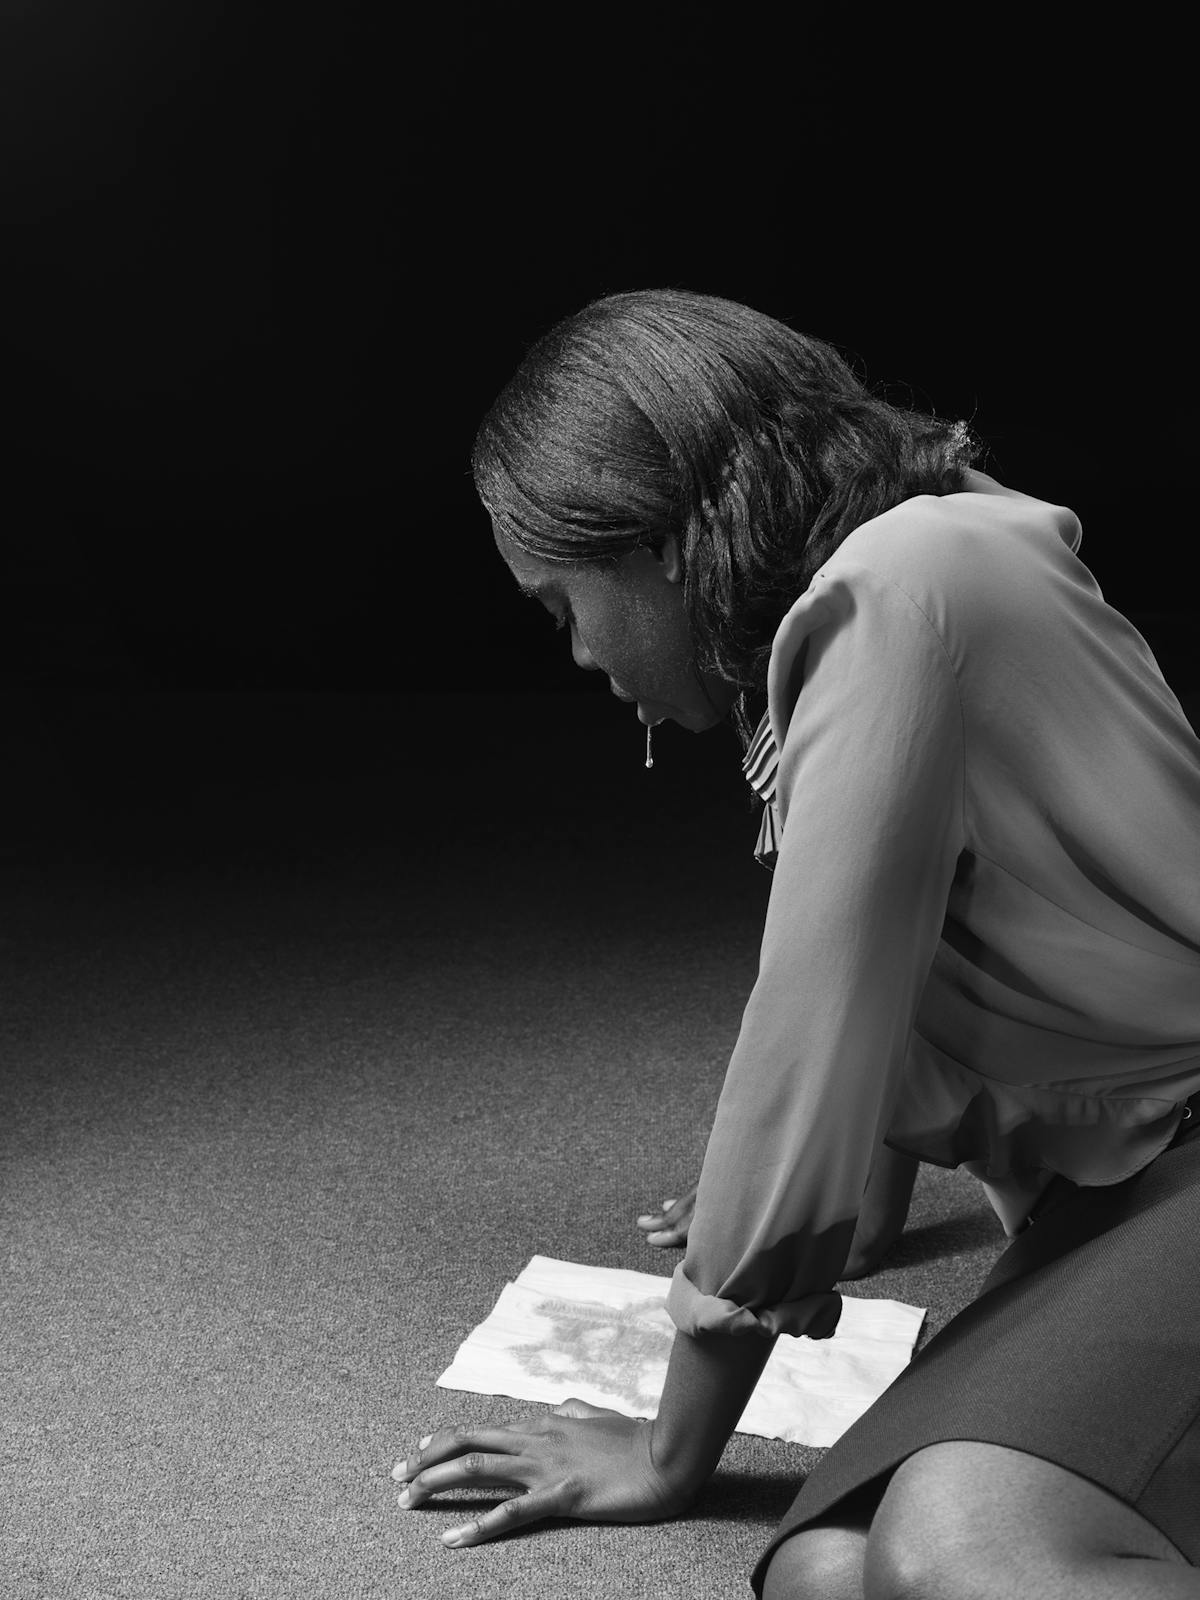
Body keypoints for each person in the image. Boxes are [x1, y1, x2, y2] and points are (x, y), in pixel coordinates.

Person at [393, 289, 1200, 1597]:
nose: (582, 655)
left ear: (655, 541)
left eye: (562, 607)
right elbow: (900, 964)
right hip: (1119, 1194)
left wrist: (671, 1451)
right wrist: (853, 1223)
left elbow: (811, 1044)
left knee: (955, 1555)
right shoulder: (889, 581)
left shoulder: (902, 596)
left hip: (1181, 1160)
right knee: (827, 1569)